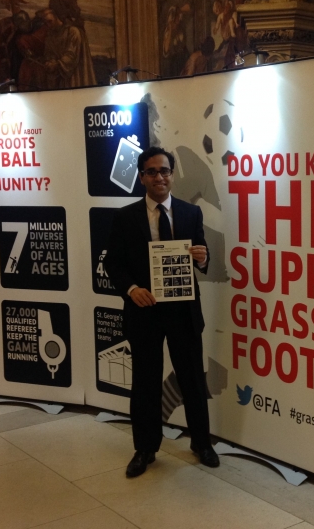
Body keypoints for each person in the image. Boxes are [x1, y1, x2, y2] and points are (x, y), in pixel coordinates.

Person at [105, 146, 219, 478]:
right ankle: (145, 448)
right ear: (142, 177)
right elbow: (113, 263)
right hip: (145, 311)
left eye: (165, 170)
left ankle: (202, 443)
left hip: (183, 311)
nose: (160, 177)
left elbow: (202, 258)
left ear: (172, 174)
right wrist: (131, 289)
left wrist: (203, 258)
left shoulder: (190, 213)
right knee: (145, 382)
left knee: (193, 380)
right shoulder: (125, 217)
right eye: (152, 171)